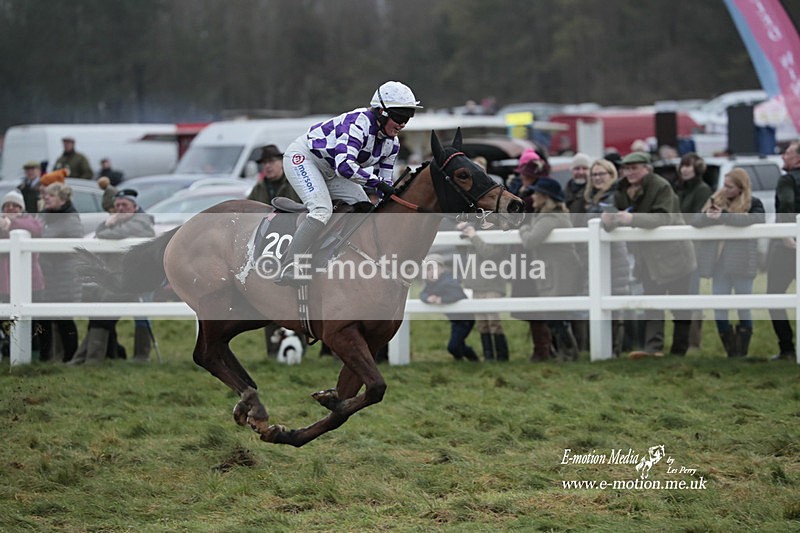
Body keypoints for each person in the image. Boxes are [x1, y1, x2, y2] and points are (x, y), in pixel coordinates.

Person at [277, 81, 422, 286]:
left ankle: (338, 257)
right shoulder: (358, 123)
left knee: (364, 207)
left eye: (408, 117)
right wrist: (378, 184)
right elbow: (345, 167)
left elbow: (385, 183)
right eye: (399, 117)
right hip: (304, 159)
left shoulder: (393, 143)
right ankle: (291, 264)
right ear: (381, 112)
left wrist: (392, 197)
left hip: (331, 168)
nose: (403, 123)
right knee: (321, 210)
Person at [601, 151, 697, 359]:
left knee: (679, 306)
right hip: (648, 259)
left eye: (634, 168)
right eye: (626, 168)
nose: (629, 172)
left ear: (647, 168)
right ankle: (654, 349)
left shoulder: (661, 186)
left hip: (674, 255)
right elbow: (616, 214)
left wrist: (631, 219)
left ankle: (679, 350)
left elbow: (663, 218)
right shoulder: (622, 188)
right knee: (652, 304)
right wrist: (607, 223)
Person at [71, 189, 156, 364]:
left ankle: (141, 356)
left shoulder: (141, 221)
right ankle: (94, 356)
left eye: (124, 205)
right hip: (119, 278)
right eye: (117, 206)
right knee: (102, 314)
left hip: (141, 278)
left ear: (135, 206)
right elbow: (100, 236)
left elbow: (110, 235)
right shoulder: (116, 222)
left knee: (142, 317)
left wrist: (108, 224)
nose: (120, 209)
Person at [691, 169, 764, 358]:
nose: (725, 189)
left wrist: (722, 216)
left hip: (742, 262)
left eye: (729, 186)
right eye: (724, 184)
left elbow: (757, 220)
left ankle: (742, 351)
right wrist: (708, 216)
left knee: (743, 306)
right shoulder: (715, 200)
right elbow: (696, 221)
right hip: (718, 264)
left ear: (741, 188)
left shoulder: (753, 203)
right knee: (719, 307)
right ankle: (731, 351)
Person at [517, 177, 582, 362]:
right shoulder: (546, 214)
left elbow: (530, 240)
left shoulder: (550, 217)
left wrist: (523, 228)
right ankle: (565, 352)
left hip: (560, 272)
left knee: (557, 316)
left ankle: (568, 353)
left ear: (546, 197)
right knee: (556, 315)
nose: (534, 197)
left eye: (537, 193)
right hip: (556, 270)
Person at [584, 158, 632, 357]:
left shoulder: (615, 197)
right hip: (594, 256)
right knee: (597, 302)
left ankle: (615, 349)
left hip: (614, 256)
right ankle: (602, 347)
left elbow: (613, 222)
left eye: (601, 174)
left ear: (611, 175)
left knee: (614, 302)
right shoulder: (590, 198)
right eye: (594, 174)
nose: (597, 178)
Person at [37, 182, 83, 362]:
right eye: (46, 195)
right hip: (47, 275)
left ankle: (70, 357)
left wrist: (49, 252)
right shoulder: (45, 217)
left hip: (64, 276)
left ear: (62, 199)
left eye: (51, 195)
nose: (46, 198)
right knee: (44, 318)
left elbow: (71, 247)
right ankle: (46, 356)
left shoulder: (71, 219)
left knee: (64, 318)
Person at [673, 152, 712, 352]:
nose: (685, 169)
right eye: (683, 165)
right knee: (683, 293)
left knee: (692, 293)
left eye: (689, 166)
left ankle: (694, 343)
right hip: (678, 250)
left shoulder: (703, 190)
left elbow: (698, 219)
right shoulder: (679, 191)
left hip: (694, 250)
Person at [0, 190, 45, 360]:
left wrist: (11, 223)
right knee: (6, 318)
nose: (11, 208)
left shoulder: (30, 221)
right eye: (7, 206)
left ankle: (34, 352)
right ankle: (9, 351)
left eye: (15, 205)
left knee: (32, 319)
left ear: (22, 208)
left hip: (31, 280)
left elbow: (36, 229)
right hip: (5, 281)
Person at [457, 221, 509, 362]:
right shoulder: (474, 229)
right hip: (476, 284)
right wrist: (462, 231)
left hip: (492, 284)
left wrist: (474, 236)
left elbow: (489, 254)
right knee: (481, 322)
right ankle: (488, 356)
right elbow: (460, 250)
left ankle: (502, 357)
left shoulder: (500, 231)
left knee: (493, 321)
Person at [768, 140, 800, 361]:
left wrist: (786, 233)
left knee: (774, 297)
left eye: (787, 153)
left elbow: (787, 204)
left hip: (788, 246)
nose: (782, 157)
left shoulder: (787, 179)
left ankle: (787, 347)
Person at [419, 254, 479, 362]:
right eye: (428, 270)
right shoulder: (430, 285)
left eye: (435, 268)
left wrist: (441, 299)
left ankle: (466, 358)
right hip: (455, 320)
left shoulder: (449, 280)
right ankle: (469, 360)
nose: (432, 272)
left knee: (453, 346)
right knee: (458, 343)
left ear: (442, 269)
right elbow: (422, 294)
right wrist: (428, 298)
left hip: (465, 319)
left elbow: (457, 295)